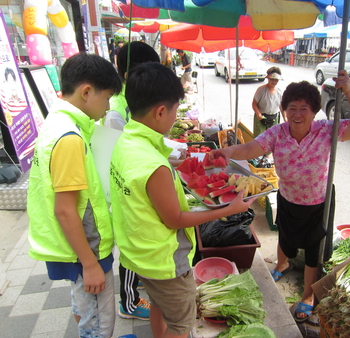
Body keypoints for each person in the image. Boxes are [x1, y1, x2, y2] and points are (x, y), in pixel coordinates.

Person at [209, 70, 350, 324]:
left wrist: (348, 92)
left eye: (304, 108)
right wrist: (228, 151)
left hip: (318, 202)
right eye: (292, 107)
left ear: (314, 111)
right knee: (284, 237)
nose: (297, 113)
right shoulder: (277, 133)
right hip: (287, 197)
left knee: (312, 251)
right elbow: (252, 147)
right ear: (284, 110)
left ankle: (308, 295)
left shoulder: (326, 131)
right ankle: (282, 265)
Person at [110, 62, 255, 338]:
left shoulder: (126, 141)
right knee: (180, 323)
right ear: (160, 111)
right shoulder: (154, 165)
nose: (176, 117)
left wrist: (194, 161)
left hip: (137, 252)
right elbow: (175, 218)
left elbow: (152, 184)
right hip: (162, 260)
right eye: (176, 110)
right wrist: (227, 208)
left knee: (159, 304)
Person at [26, 53, 124, 338]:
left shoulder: (55, 123)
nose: (107, 108)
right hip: (85, 251)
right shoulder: (69, 137)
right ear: (86, 92)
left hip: (73, 248)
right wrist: (90, 264)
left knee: (85, 310)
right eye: (106, 99)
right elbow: (65, 210)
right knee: (98, 324)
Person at [102, 41, 160, 320]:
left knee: (135, 243)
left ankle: (134, 289)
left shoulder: (132, 99)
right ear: (129, 73)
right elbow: (121, 155)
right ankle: (129, 302)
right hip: (125, 191)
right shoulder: (116, 110)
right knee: (130, 247)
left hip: (135, 185)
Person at [252, 66, 286, 138]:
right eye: (272, 79)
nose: (274, 81)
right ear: (268, 79)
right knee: (259, 140)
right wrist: (258, 114)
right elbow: (254, 104)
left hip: (274, 118)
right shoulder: (261, 90)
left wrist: (285, 118)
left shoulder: (279, 92)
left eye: (276, 80)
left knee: (272, 140)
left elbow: (282, 107)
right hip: (261, 118)